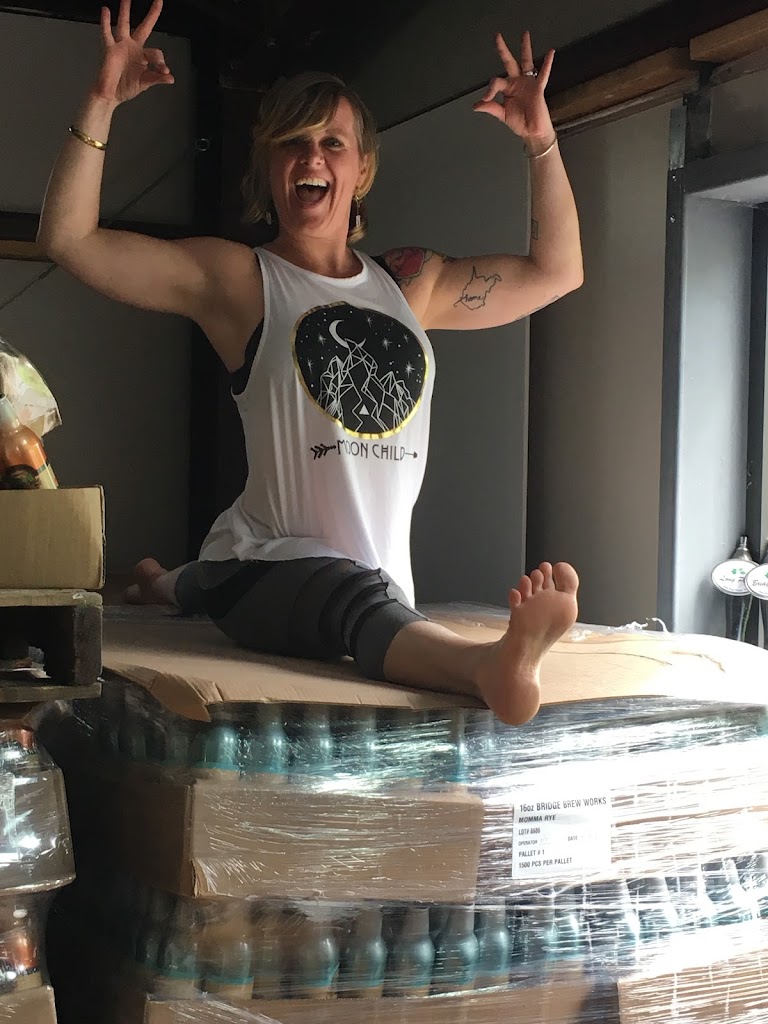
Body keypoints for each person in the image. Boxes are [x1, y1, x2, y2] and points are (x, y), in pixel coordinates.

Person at [38, 0, 583, 726]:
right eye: (292, 143)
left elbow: (557, 272)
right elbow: (69, 240)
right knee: (333, 592)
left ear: (362, 167)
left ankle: (160, 582)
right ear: (269, 167)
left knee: (255, 581)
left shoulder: (409, 285)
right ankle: (485, 666)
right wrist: (101, 100)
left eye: (332, 141)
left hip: (364, 573)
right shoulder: (240, 281)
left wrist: (542, 142)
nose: (312, 157)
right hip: (271, 567)